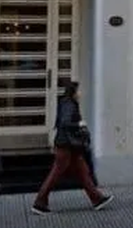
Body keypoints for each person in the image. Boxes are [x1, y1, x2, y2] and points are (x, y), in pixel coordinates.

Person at [32, 81, 113, 214]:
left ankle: (97, 199)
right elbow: (65, 122)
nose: (80, 93)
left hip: (71, 146)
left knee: (83, 172)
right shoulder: (69, 104)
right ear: (73, 92)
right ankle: (39, 202)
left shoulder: (67, 103)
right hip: (66, 145)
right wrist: (80, 124)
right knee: (55, 174)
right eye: (78, 91)